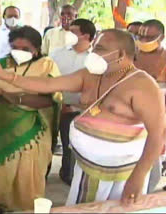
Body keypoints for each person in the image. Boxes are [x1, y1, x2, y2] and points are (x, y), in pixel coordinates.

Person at [0, 29, 166, 206]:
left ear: (121, 54)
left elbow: (158, 135)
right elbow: (48, 84)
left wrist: (138, 177)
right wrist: (5, 75)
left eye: (100, 49)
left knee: (115, 209)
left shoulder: (143, 86)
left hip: (123, 172)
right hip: (86, 166)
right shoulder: (90, 75)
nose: (92, 52)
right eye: (94, 47)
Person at [0, 26, 62, 212]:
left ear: (36, 49)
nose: (19, 52)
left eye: (25, 49)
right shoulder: (1, 64)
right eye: (15, 47)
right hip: (2, 126)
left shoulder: (47, 65)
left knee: (28, 173)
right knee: (0, 171)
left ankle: (25, 208)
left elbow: (50, 100)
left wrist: (14, 98)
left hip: (34, 128)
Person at [49, 18, 96, 185]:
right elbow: (47, 78)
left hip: (81, 110)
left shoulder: (96, 59)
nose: (69, 34)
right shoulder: (56, 53)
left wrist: (75, 106)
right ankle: (42, 173)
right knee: (49, 141)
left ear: (86, 35)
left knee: (72, 145)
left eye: (73, 31)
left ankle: (68, 175)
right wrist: (58, 103)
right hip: (53, 106)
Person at [134, 19, 166, 193]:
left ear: (161, 38)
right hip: (128, 119)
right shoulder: (131, 55)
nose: (143, 40)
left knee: (150, 170)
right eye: (140, 36)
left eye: (149, 37)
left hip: (156, 121)